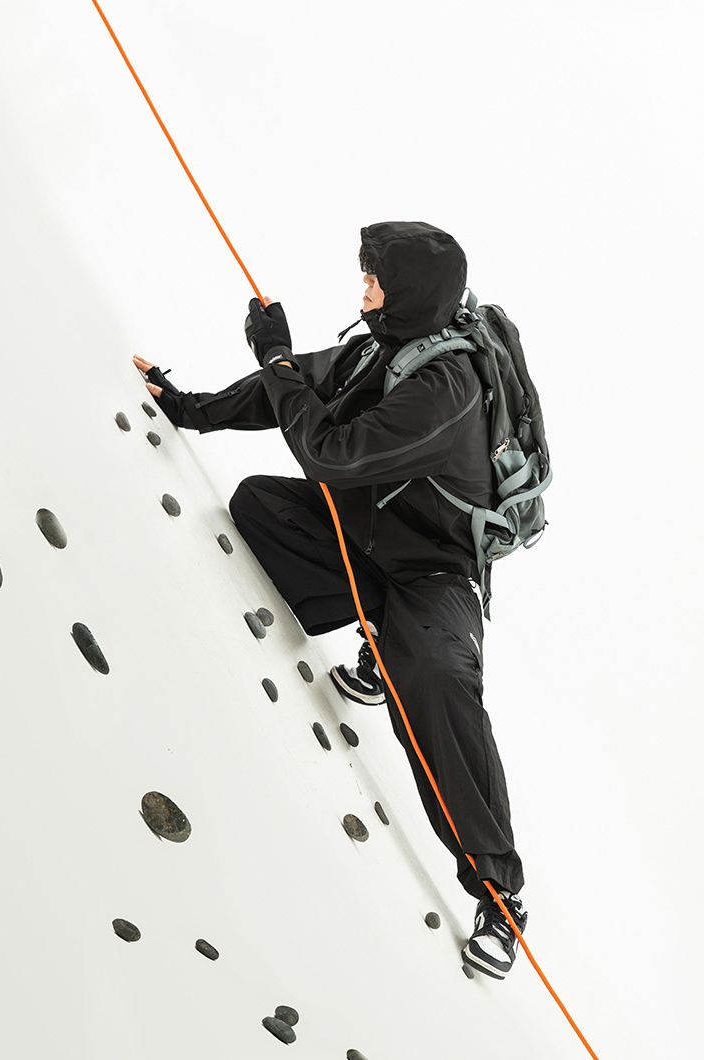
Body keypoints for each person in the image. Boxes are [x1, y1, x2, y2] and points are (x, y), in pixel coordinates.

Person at [134, 221, 528, 980]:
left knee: (437, 681)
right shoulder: (386, 345)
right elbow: (298, 388)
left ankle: (499, 893)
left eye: (375, 280)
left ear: (410, 294)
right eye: (367, 276)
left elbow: (327, 450)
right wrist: (190, 407)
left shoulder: (446, 389)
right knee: (260, 505)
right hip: (368, 537)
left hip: (434, 572)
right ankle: (381, 630)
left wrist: (274, 357)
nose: (365, 290)